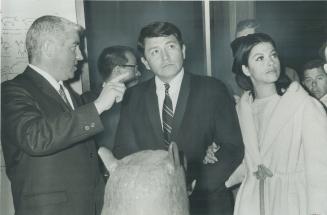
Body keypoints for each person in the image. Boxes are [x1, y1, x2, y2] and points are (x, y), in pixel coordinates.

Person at [113, 21, 244, 215]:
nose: (165, 57)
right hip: (152, 204)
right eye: (155, 51)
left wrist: (195, 184)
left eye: (171, 47)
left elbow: (232, 147)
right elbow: (124, 151)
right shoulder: (133, 97)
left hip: (206, 203)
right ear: (145, 62)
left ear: (183, 50)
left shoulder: (212, 89)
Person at [1, 15, 126, 215]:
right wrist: (99, 105)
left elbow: (73, 130)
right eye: (74, 46)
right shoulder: (12, 91)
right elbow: (35, 137)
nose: (80, 56)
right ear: (49, 48)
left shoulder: (66, 93)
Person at [226, 33, 327, 215]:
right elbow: (246, 161)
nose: (270, 62)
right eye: (260, 58)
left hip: (292, 201)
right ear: (246, 69)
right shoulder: (242, 110)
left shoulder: (303, 105)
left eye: (273, 55)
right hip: (252, 202)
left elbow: (320, 168)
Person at [95, 46, 141, 150]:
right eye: (134, 67)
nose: (138, 72)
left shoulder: (137, 96)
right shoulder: (88, 102)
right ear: (119, 70)